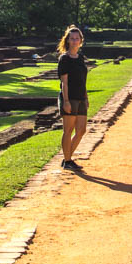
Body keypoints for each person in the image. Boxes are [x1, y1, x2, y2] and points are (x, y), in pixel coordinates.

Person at [56, 25, 89, 171]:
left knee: (81, 130)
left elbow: (83, 79)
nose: (75, 41)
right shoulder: (65, 59)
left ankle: (67, 158)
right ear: (67, 41)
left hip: (81, 97)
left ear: (81, 41)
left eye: (77, 38)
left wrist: (86, 97)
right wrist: (66, 101)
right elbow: (64, 82)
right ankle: (68, 160)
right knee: (68, 130)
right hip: (70, 98)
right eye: (72, 38)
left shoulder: (80, 57)